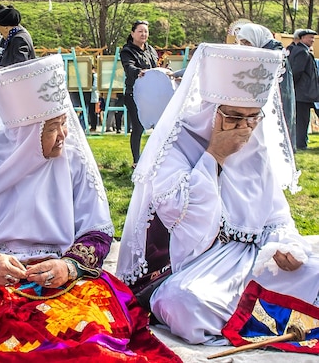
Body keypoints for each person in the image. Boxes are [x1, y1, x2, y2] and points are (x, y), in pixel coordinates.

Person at [0, 55, 181, 362]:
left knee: (94, 307)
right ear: (26, 131)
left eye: (64, 123)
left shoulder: (72, 159)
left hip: (58, 272)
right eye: (53, 127)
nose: (64, 134)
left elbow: (97, 231)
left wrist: (69, 266)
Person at [116, 43, 319, 346]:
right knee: (182, 304)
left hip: (252, 261)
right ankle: (271, 314)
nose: (245, 129)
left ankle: (263, 314)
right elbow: (179, 216)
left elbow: (276, 216)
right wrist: (215, 156)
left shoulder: (254, 141)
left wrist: (283, 244)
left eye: (253, 118)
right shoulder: (177, 140)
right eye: (234, 117)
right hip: (196, 267)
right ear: (212, 110)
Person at [237, 22, 296, 150]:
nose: (245, 46)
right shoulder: (262, 50)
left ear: (256, 37)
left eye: (247, 42)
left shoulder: (274, 53)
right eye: (242, 43)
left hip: (276, 98)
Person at [120, 20, 160, 168]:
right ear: (133, 33)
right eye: (140, 31)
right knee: (138, 127)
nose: (143, 34)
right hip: (134, 94)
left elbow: (156, 66)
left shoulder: (151, 50)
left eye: (146, 31)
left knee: (158, 126)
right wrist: (139, 72)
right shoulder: (127, 51)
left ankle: (156, 158)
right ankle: (136, 161)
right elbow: (129, 67)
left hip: (152, 94)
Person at [288, 28, 319, 150]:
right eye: (310, 37)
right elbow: (297, 72)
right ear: (301, 38)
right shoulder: (302, 52)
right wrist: (293, 87)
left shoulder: (302, 50)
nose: (312, 40)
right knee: (302, 120)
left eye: (313, 38)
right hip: (303, 93)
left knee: (302, 119)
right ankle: (300, 144)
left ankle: (300, 142)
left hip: (305, 93)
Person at [0, 4, 35, 69]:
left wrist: (2, 69)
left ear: (6, 28)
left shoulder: (19, 39)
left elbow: (20, 67)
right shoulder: (7, 37)